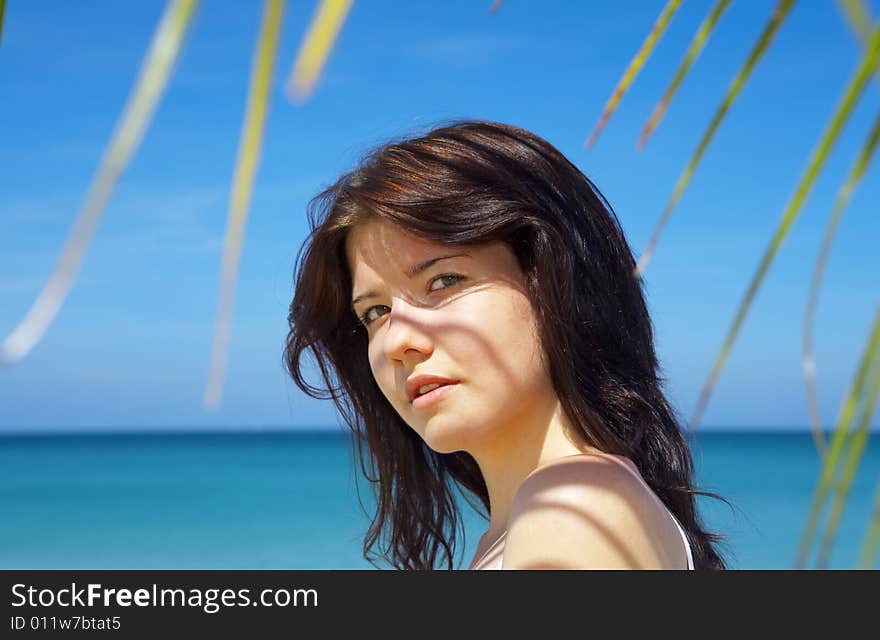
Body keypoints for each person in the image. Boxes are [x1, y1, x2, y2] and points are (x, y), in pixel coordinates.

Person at [284, 120, 729, 570]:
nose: (397, 340)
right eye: (375, 313)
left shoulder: (569, 512)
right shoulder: (544, 519)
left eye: (444, 280)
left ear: (553, 282)